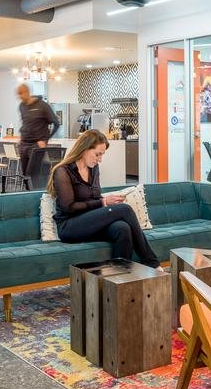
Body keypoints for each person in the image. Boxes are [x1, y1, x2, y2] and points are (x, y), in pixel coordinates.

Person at [48, 129, 161, 270]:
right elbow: (68, 207)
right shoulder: (63, 171)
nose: (100, 159)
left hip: (91, 223)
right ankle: (151, 262)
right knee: (124, 209)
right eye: (97, 154)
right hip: (70, 226)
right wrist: (103, 202)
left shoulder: (94, 169)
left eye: (102, 155)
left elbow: (94, 198)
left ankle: (119, 278)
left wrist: (105, 202)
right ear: (84, 149)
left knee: (122, 228)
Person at [16, 83, 60, 174]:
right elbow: (25, 123)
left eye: (21, 93)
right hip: (23, 144)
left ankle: (36, 188)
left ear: (27, 92)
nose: (19, 96)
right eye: (18, 94)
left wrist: (45, 140)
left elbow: (56, 123)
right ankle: (27, 188)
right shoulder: (22, 106)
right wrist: (21, 137)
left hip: (36, 145)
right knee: (24, 174)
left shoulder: (43, 106)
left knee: (33, 173)